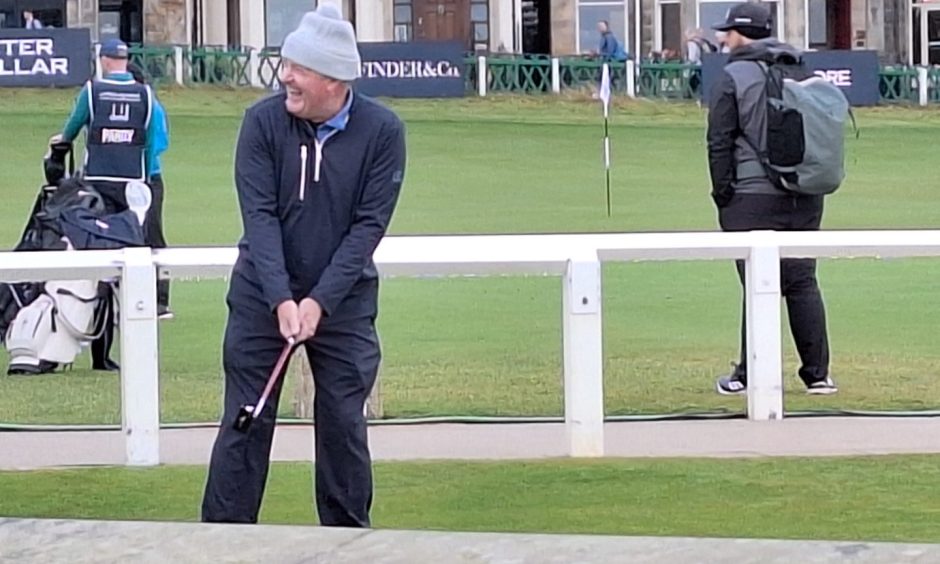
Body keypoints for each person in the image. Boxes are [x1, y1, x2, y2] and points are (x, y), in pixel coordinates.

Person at [200, 4, 407, 527]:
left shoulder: (383, 131)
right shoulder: (261, 123)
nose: (285, 76)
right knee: (246, 419)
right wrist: (281, 298)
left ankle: (347, 542)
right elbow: (260, 217)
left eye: (298, 68)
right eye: (285, 63)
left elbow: (368, 228)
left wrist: (319, 301)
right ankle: (222, 543)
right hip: (260, 294)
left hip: (343, 302)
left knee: (342, 423)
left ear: (334, 80)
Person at [706, 2, 837, 396]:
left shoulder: (733, 76)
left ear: (742, 35)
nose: (723, 38)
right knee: (801, 282)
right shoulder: (802, 67)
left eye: (727, 32)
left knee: (759, 284)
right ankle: (817, 375)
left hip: (751, 197)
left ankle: (747, 375)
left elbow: (718, 142)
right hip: (806, 193)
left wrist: (723, 195)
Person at [56, 38, 158, 370]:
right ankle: (129, 353)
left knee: (96, 266)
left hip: (97, 185)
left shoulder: (92, 91)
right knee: (128, 269)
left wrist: (59, 146)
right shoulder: (146, 95)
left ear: (103, 60)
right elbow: (153, 143)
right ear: (126, 61)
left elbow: (70, 129)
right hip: (133, 189)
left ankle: (96, 352)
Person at [128, 62, 173, 319]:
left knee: (153, 236)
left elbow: (159, 143)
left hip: (149, 179)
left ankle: (161, 300)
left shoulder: (151, 107)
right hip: (130, 179)